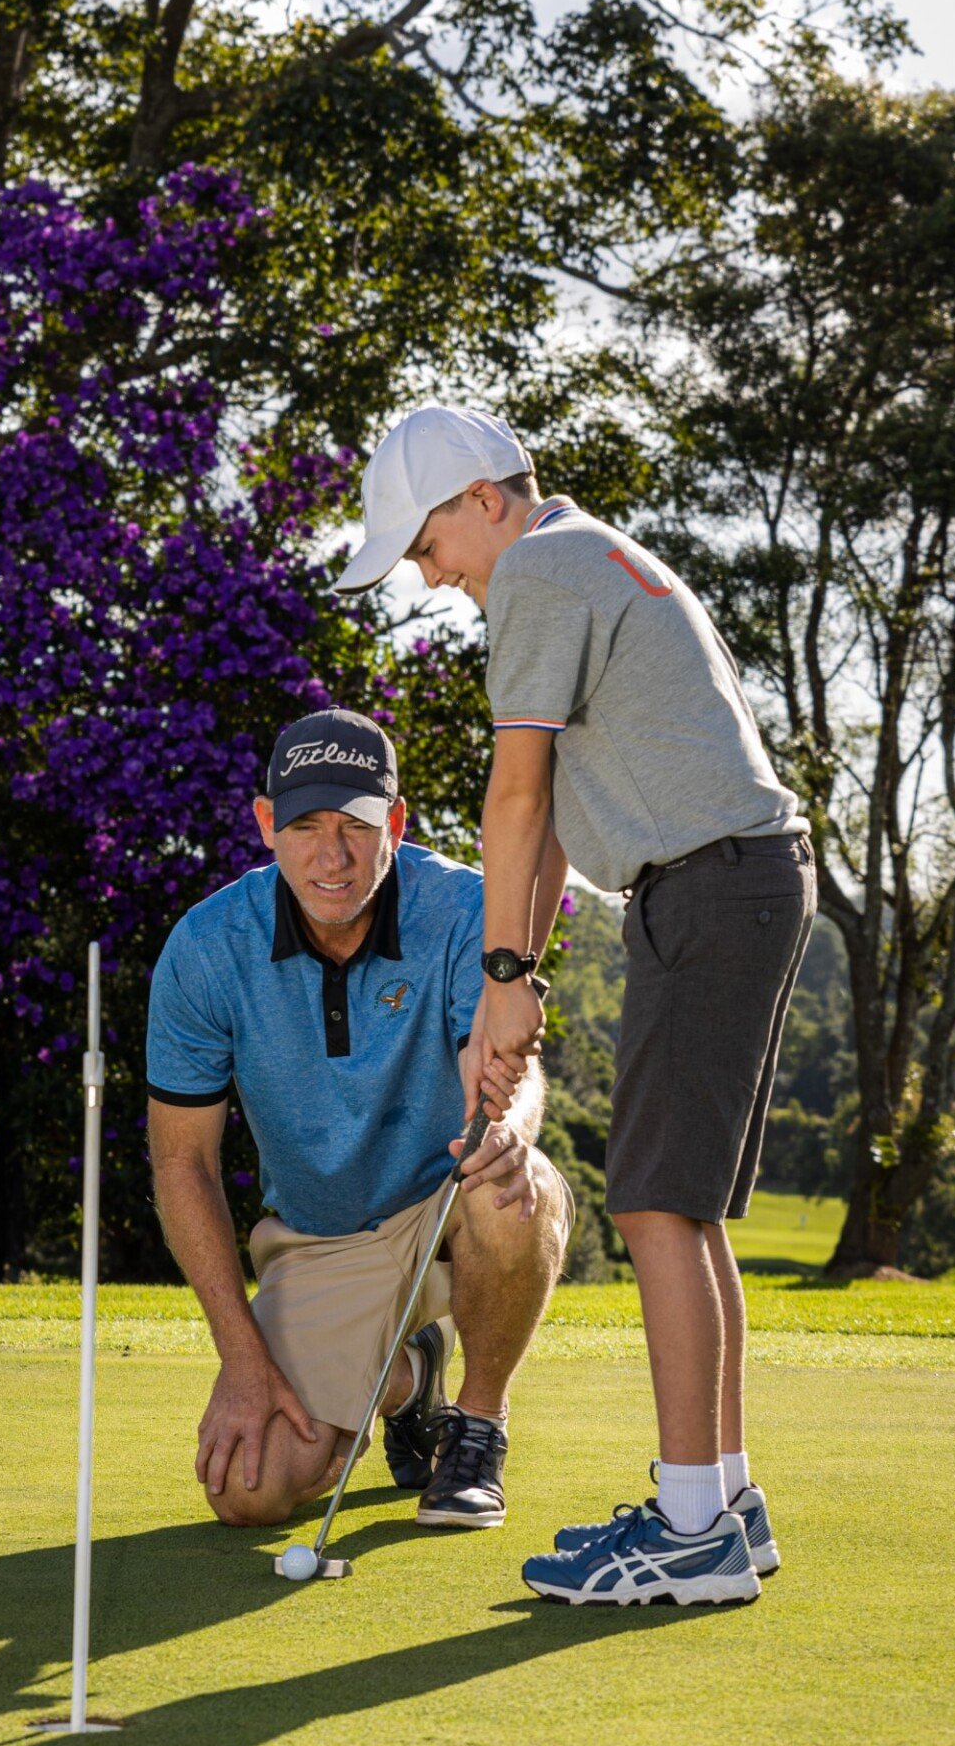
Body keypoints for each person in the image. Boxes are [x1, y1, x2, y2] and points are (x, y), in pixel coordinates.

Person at [335, 406, 815, 1606]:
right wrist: (522, 976)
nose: (430, 575)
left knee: (655, 1206)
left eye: (429, 543)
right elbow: (543, 822)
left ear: (485, 498)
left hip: (710, 888)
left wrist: (498, 986)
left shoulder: (538, 571)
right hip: (729, 883)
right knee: (685, 1212)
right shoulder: (585, 553)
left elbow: (511, 796)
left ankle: (691, 1525)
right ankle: (726, 1505)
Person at [146, 708, 574, 1535]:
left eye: (357, 826)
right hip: (320, 1238)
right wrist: (241, 1358)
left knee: (506, 1182)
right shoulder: (205, 948)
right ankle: (411, 1378)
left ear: (398, 824)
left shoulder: (464, 909)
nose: (332, 857)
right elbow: (182, 1167)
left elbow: (502, 1066)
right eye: (305, 826)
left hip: (446, 1208)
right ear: (267, 823)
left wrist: (510, 1126)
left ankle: (476, 1430)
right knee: (249, 1491)